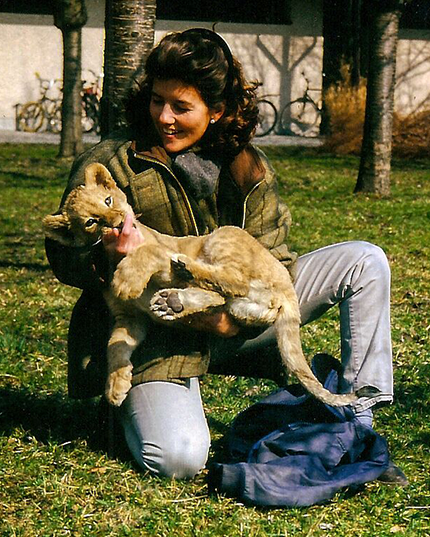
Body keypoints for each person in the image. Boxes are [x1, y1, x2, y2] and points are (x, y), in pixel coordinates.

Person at [46, 28, 406, 484]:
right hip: (159, 332)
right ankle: (125, 409)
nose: (165, 118)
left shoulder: (246, 165)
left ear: (216, 111)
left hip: (238, 311)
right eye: (158, 101)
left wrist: (234, 318)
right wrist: (108, 255)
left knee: (365, 261)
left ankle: (357, 420)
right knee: (176, 460)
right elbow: (61, 252)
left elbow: (274, 255)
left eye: (181, 107)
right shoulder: (115, 161)